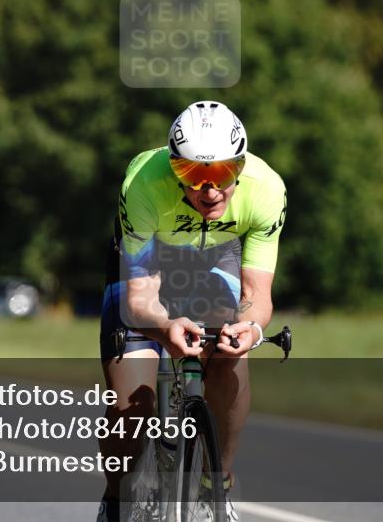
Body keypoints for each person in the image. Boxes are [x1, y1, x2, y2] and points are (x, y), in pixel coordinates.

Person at [97, 101, 287, 522]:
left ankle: (214, 485)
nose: (209, 189)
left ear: (240, 165)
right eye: (192, 175)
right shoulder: (144, 184)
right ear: (173, 167)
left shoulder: (266, 190)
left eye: (221, 173)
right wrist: (164, 327)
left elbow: (258, 293)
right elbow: (140, 300)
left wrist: (250, 328)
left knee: (230, 352)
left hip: (215, 261)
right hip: (145, 267)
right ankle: (115, 503)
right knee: (132, 401)